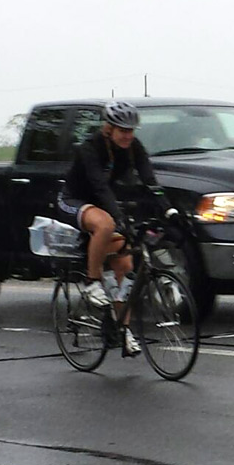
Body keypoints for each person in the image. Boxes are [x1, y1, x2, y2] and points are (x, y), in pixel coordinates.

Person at [56, 100, 181, 357]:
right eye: (123, 130)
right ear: (108, 128)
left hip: (102, 203)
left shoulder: (134, 148)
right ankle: (91, 282)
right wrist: (118, 217)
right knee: (107, 223)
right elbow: (100, 187)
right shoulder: (90, 148)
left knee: (124, 267)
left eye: (131, 130)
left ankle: (123, 331)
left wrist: (169, 210)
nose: (128, 135)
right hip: (73, 201)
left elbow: (151, 182)